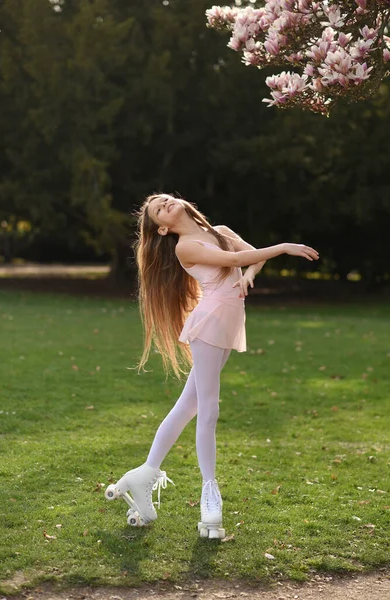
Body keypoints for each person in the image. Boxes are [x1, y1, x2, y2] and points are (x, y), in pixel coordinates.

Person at [105, 193, 319, 538]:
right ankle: (209, 494)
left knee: (188, 405)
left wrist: (248, 275)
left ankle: (143, 474)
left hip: (228, 321)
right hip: (209, 324)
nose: (166, 204)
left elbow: (247, 256)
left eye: (165, 199)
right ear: (162, 228)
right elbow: (234, 257)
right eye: (159, 209)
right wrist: (281, 247)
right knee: (208, 409)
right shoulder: (184, 247)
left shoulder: (218, 230)